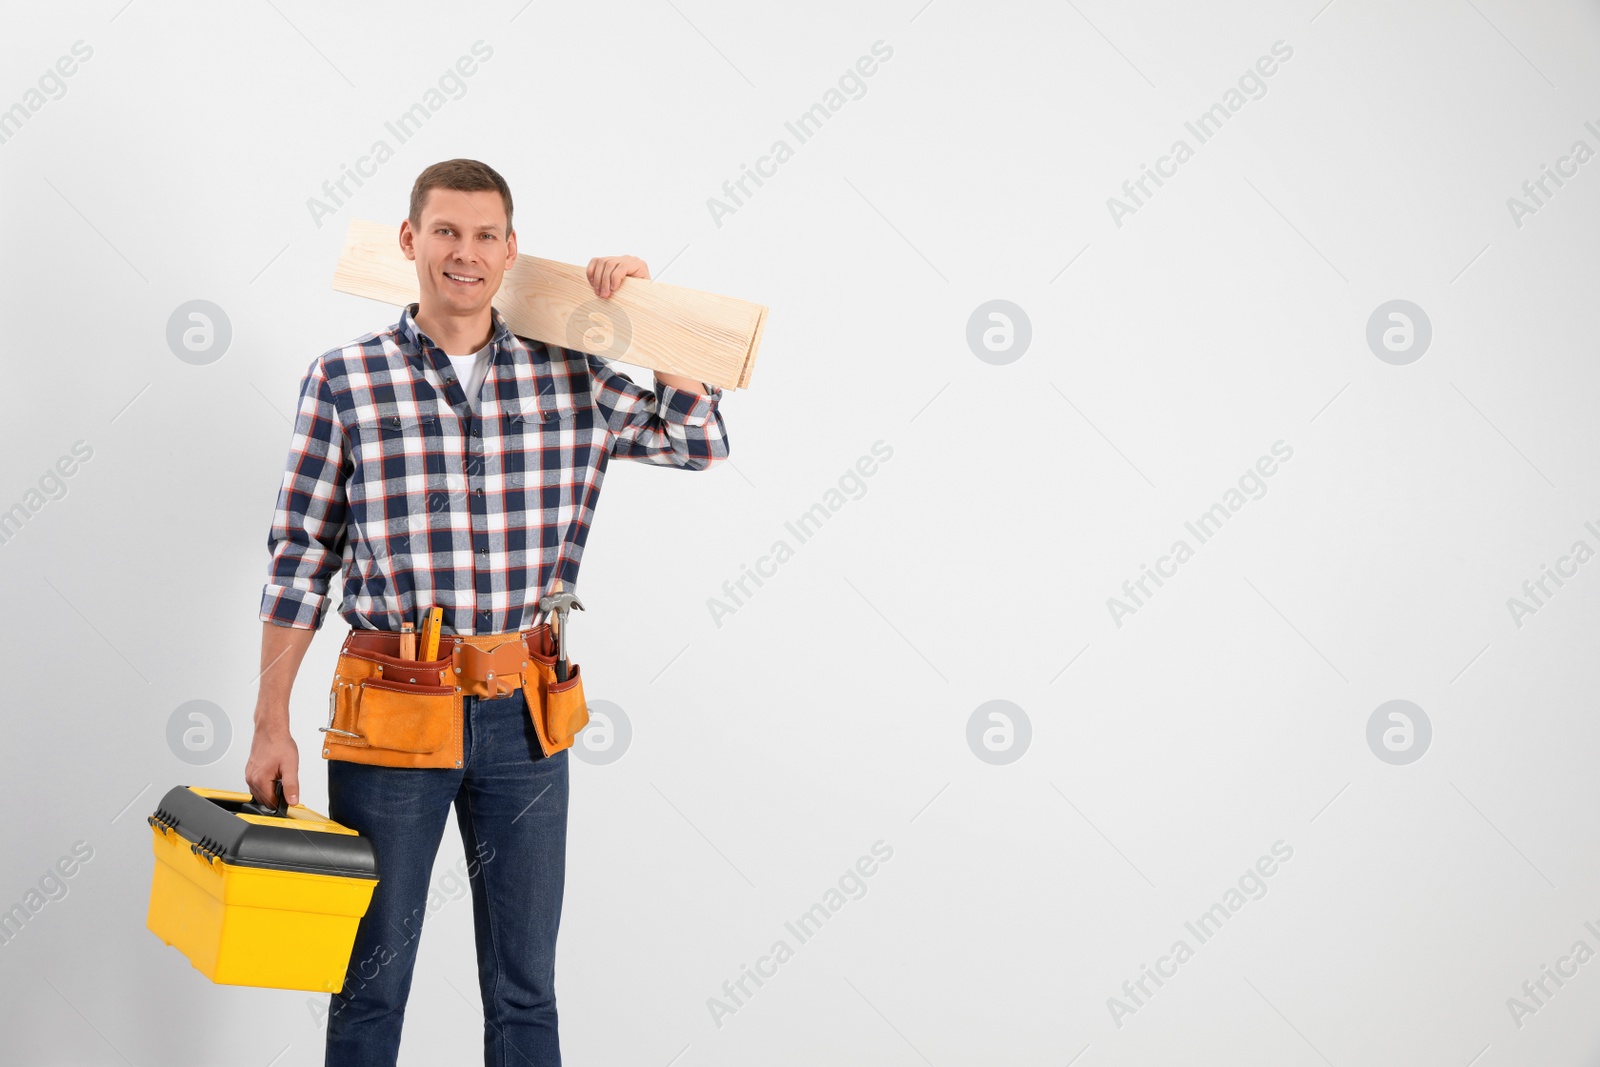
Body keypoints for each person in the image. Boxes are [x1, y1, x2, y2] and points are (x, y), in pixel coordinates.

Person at [243, 157, 729, 1066]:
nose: (464, 253)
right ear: (409, 241)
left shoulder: (572, 376)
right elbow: (300, 556)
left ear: (512, 251)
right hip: (392, 713)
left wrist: (654, 323)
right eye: (445, 232)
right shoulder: (346, 379)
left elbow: (697, 442)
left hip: (525, 717)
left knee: (524, 991)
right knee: (369, 983)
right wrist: (270, 720)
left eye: (484, 235)